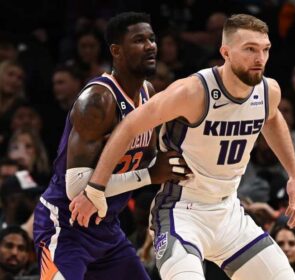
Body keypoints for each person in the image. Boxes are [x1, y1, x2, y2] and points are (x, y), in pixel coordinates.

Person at [71, 14, 295, 280]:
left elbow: (272, 118)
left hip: (230, 213)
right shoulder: (193, 92)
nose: (259, 58)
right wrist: (95, 188)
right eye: (250, 49)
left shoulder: (267, 91)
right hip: (181, 214)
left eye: (265, 50)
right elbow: (129, 126)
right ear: (225, 52)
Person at [33, 12, 190, 280]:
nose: (150, 45)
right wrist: (150, 175)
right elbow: (77, 189)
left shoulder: (148, 93)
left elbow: (148, 158)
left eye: (152, 39)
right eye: (139, 40)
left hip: (107, 230)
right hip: (66, 225)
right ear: (116, 51)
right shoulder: (98, 100)